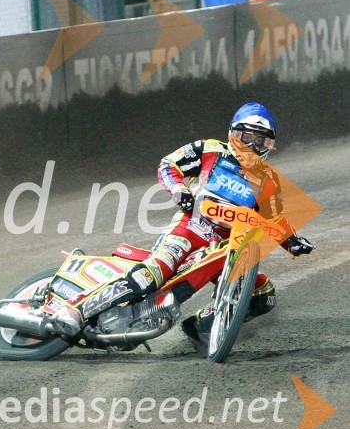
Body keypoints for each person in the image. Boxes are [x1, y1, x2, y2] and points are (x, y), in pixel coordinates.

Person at [57, 102, 314, 344]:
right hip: (190, 229)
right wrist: (179, 190)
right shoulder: (211, 148)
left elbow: (273, 218)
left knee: (263, 297)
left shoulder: (269, 180)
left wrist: (292, 242)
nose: (252, 145)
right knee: (152, 275)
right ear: (234, 134)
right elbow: (168, 164)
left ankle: (202, 327)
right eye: (247, 137)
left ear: (270, 145)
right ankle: (77, 309)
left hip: (226, 247)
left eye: (260, 140)